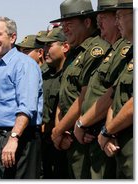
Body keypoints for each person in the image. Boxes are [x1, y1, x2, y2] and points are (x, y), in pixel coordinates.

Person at [69, 0, 132, 179]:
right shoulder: (116, 50)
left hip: (117, 138)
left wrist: (101, 128)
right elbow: (116, 92)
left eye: (103, 18)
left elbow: (118, 98)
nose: (99, 23)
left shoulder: (124, 49)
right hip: (103, 136)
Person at [50, 0, 110, 179]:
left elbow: (84, 97)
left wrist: (58, 130)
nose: (64, 29)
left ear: (87, 22)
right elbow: (64, 96)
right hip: (70, 135)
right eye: (62, 25)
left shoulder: (95, 50)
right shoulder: (74, 54)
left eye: (69, 24)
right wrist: (59, 129)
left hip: (87, 134)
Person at [0, 16, 43, 179]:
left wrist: (14, 138)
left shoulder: (23, 64)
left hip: (19, 138)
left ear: (12, 37)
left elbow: (27, 107)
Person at [97, 0, 133, 179]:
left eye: (119, 16)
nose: (117, 21)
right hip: (120, 146)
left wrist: (107, 131)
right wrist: (108, 131)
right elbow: (117, 96)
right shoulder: (130, 53)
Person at [36, 26, 70, 178]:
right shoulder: (45, 75)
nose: (45, 50)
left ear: (65, 46)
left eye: (50, 45)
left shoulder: (70, 73)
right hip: (44, 143)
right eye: (44, 46)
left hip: (64, 140)